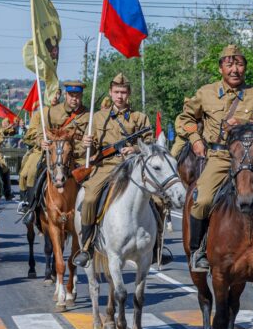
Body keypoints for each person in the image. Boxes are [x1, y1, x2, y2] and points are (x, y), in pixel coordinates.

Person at [175, 44, 253, 271]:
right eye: (230, 64)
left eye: (240, 64)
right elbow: (184, 119)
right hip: (221, 156)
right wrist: (195, 138)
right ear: (221, 67)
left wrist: (244, 123)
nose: (235, 70)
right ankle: (198, 251)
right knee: (202, 200)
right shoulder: (206, 93)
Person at [73, 74, 152, 268]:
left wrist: (134, 149)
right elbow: (83, 149)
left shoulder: (140, 118)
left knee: (157, 198)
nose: (120, 96)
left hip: (133, 166)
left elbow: (150, 143)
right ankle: (87, 245)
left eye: (123, 92)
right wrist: (86, 144)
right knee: (90, 198)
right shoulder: (98, 118)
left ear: (129, 94)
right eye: (116, 92)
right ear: (110, 92)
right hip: (106, 166)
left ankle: (157, 246)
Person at [18, 82, 88, 214]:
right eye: (71, 95)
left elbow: (93, 135)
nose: (74, 98)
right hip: (54, 153)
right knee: (34, 171)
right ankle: (32, 207)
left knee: (91, 179)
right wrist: (41, 141)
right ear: (66, 95)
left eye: (77, 95)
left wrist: (88, 142)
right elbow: (39, 132)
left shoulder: (87, 115)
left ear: (81, 96)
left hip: (79, 155)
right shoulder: (51, 112)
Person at [17, 88, 62, 210]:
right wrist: (40, 141)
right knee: (26, 174)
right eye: (52, 94)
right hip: (40, 150)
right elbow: (29, 135)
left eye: (58, 94)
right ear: (46, 95)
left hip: (60, 150)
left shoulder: (63, 112)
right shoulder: (39, 114)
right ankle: (27, 203)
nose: (55, 97)